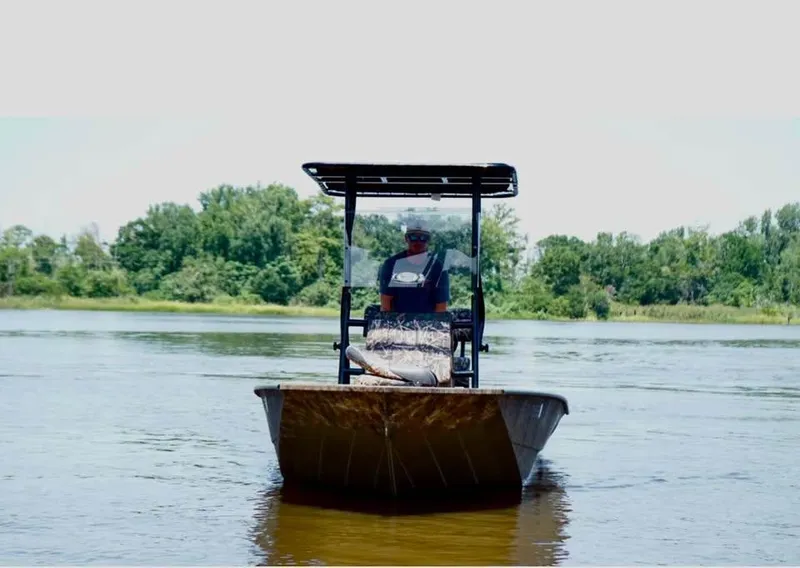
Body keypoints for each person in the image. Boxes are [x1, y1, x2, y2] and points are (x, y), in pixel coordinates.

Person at [378, 218, 450, 313]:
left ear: (429, 240)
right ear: (406, 239)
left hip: (428, 324)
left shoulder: (438, 268)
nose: (418, 242)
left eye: (423, 238)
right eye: (413, 237)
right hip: (397, 324)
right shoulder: (391, 264)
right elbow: (386, 306)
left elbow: (441, 308)